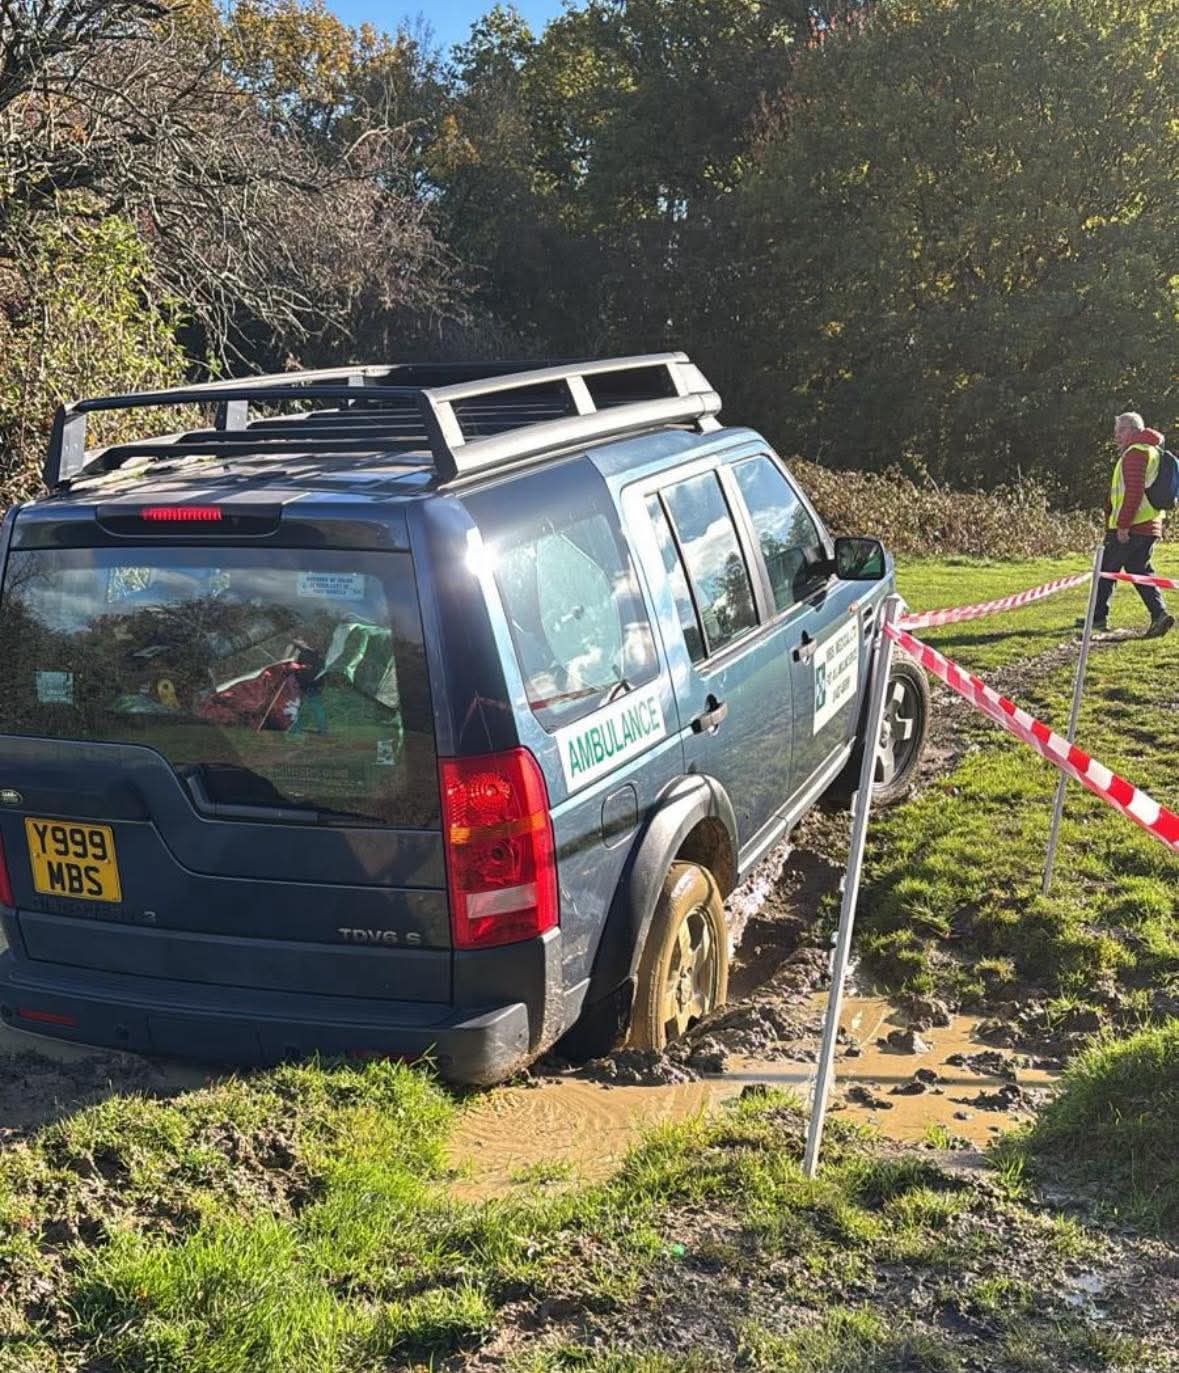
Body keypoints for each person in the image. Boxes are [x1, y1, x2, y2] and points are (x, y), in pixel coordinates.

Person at [1082, 412, 1174, 638]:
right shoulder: (1151, 450)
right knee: (1139, 570)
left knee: (1106, 570)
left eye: (1120, 431)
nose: (1116, 437)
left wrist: (1122, 525)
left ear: (1133, 429)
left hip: (1131, 527)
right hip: (1149, 524)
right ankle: (1159, 614)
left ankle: (1097, 618)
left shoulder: (1135, 453)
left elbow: (1133, 492)